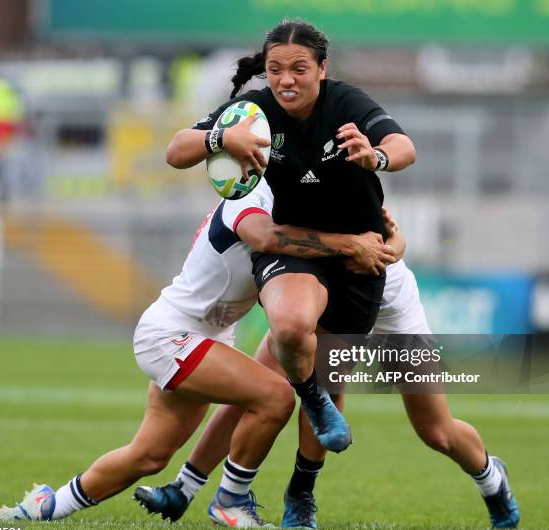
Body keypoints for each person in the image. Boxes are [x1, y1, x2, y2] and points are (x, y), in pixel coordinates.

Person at [0, 178, 397, 529]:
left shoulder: (297, 200)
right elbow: (267, 238)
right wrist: (349, 243)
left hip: (205, 337)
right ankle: (230, 502)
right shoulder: (250, 196)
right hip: (173, 335)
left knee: (148, 455)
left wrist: (383, 237)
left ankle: (43, 506)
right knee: (274, 396)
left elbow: (376, 231)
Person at [135, 186, 520, 530]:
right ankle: (186, 489)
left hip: (386, 303)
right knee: (256, 390)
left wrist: (389, 246)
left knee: (435, 429)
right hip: (314, 295)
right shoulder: (279, 197)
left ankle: (491, 479)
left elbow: (393, 240)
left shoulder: (341, 185)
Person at [165, 19, 417, 455]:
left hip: (361, 259)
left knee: (432, 427)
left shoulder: (346, 103)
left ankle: (301, 489)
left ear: (322, 68)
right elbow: (176, 151)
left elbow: (403, 147)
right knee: (290, 327)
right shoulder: (254, 113)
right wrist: (220, 137)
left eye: (299, 68)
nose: (286, 79)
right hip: (298, 248)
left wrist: (374, 156)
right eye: (275, 68)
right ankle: (227, 481)